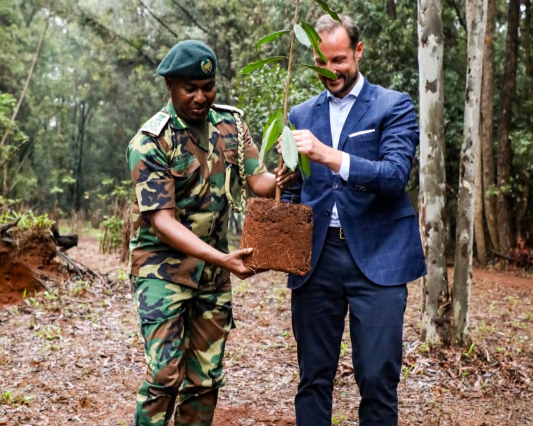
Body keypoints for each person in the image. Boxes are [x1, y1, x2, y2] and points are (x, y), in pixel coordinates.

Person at [126, 40, 294, 426]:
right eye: (190, 88)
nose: (201, 96)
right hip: (161, 269)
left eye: (208, 86)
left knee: (205, 379)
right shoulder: (150, 142)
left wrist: (284, 173)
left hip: (212, 273)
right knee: (164, 378)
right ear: (170, 85)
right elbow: (162, 221)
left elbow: (258, 180)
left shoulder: (231, 125)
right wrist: (223, 259)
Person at [280, 14, 427, 426]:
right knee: (312, 378)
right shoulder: (299, 113)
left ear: (358, 52)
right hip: (317, 262)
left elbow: (396, 175)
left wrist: (329, 155)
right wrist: (281, 187)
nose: (330, 71)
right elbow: (294, 191)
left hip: (378, 261)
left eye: (340, 60)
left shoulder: (393, 105)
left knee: (377, 378)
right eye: (322, 62)